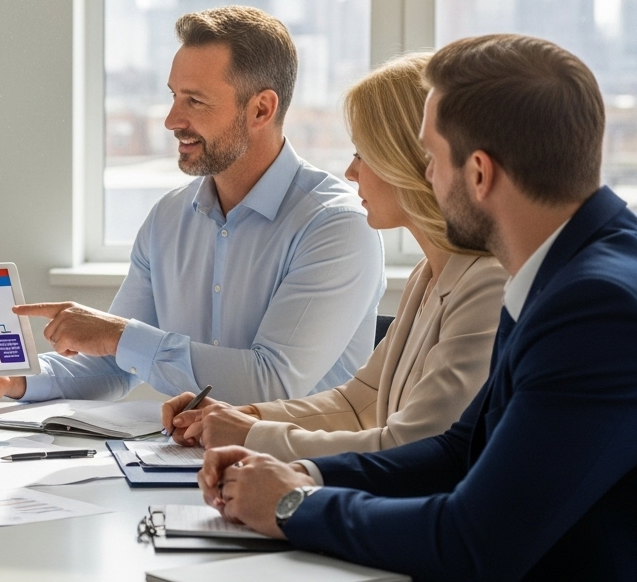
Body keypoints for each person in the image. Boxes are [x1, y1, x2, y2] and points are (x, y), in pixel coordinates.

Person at [198, 34, 637, 580]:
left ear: (479, 173)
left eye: (430, 157)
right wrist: (302, 474)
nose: (423, 176)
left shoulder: (596, 308)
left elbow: (474, 541)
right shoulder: (556, 272)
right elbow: (456, 452)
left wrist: (293, 507)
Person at [0, 6, 384, 407]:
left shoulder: (337, 226)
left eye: (195, 101)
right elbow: (110, 366)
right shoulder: (168, 219)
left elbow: (272, 384)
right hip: (184, 464)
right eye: (173, 95)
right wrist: (14, 379)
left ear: (262, 110)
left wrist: (117, 334)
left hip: (300, 477)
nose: (172, 120)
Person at [161, 54, 505, 460]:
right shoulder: (427, 276)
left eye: (363, 153)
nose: (351, 171)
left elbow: (413, 447)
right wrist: (241, 417)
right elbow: (360, 405)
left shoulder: (487, 286)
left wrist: (250, 436)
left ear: (407, 160)